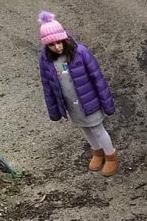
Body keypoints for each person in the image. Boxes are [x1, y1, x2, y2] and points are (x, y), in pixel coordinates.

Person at [37, 11, 118, 177]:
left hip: (90, 101)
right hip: (71, 104)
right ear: (47, 45)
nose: (57, 47)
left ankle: (110, 155)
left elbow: (97, 78)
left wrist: (106, 102)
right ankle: (97, 152)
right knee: (85, 129)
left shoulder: (81, 52)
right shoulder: (46, 60)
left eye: (60, 42)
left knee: (97, 129)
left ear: (64, 38)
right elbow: (48, 86)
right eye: (52, 45)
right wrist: (54, 110)